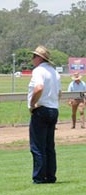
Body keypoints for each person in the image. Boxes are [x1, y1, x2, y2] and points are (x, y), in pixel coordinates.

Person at [28, 45, 62, 184]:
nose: (32, 59)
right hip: (53, 109)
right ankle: (50, 175)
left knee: (37, 146)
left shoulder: (38, 71)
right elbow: (59, 93)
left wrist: (32, 104)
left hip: (41, 109)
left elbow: (39, 87)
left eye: (34, 56)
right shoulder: (55, 72)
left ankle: (39, 176)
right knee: (49, 145)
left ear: (40, 58)